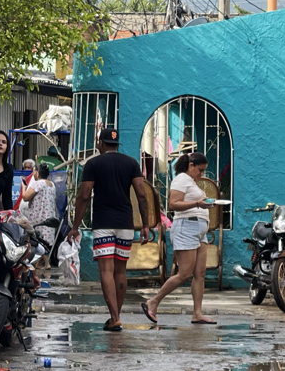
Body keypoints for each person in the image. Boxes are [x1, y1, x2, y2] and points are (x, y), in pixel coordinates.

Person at [67, 127, 154, 332]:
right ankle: (116, 316)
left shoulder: (93, 163)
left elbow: (84, 195)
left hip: (103, 223)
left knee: (106, 270)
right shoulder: (131, 163)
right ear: (117, 144)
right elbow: (142, 195)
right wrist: (146, 225)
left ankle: (114, 318)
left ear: (100, 143)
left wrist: (75, 226)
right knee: (121, 270)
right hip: (125, 223)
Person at [141, 151, 217, 325]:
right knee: (184, 274)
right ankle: (153, 302)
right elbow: (173, 204)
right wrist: (198, 203)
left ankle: (197, 313)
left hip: (198, 231)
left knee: (200, 273)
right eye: (200, 170)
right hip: (186, 228)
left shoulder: (190, 181)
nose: (202, 175)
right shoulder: (181, 179)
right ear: (191, 166)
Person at [19, 163, 57, 247]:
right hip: (48, 220)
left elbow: (25, 197)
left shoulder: (38, 183)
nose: (32, 174)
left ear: (37, 173)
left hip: (38, 220)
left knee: (37, 246)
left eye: (33, 172)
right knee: (45, 247)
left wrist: (23, 187)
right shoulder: (52, 185)